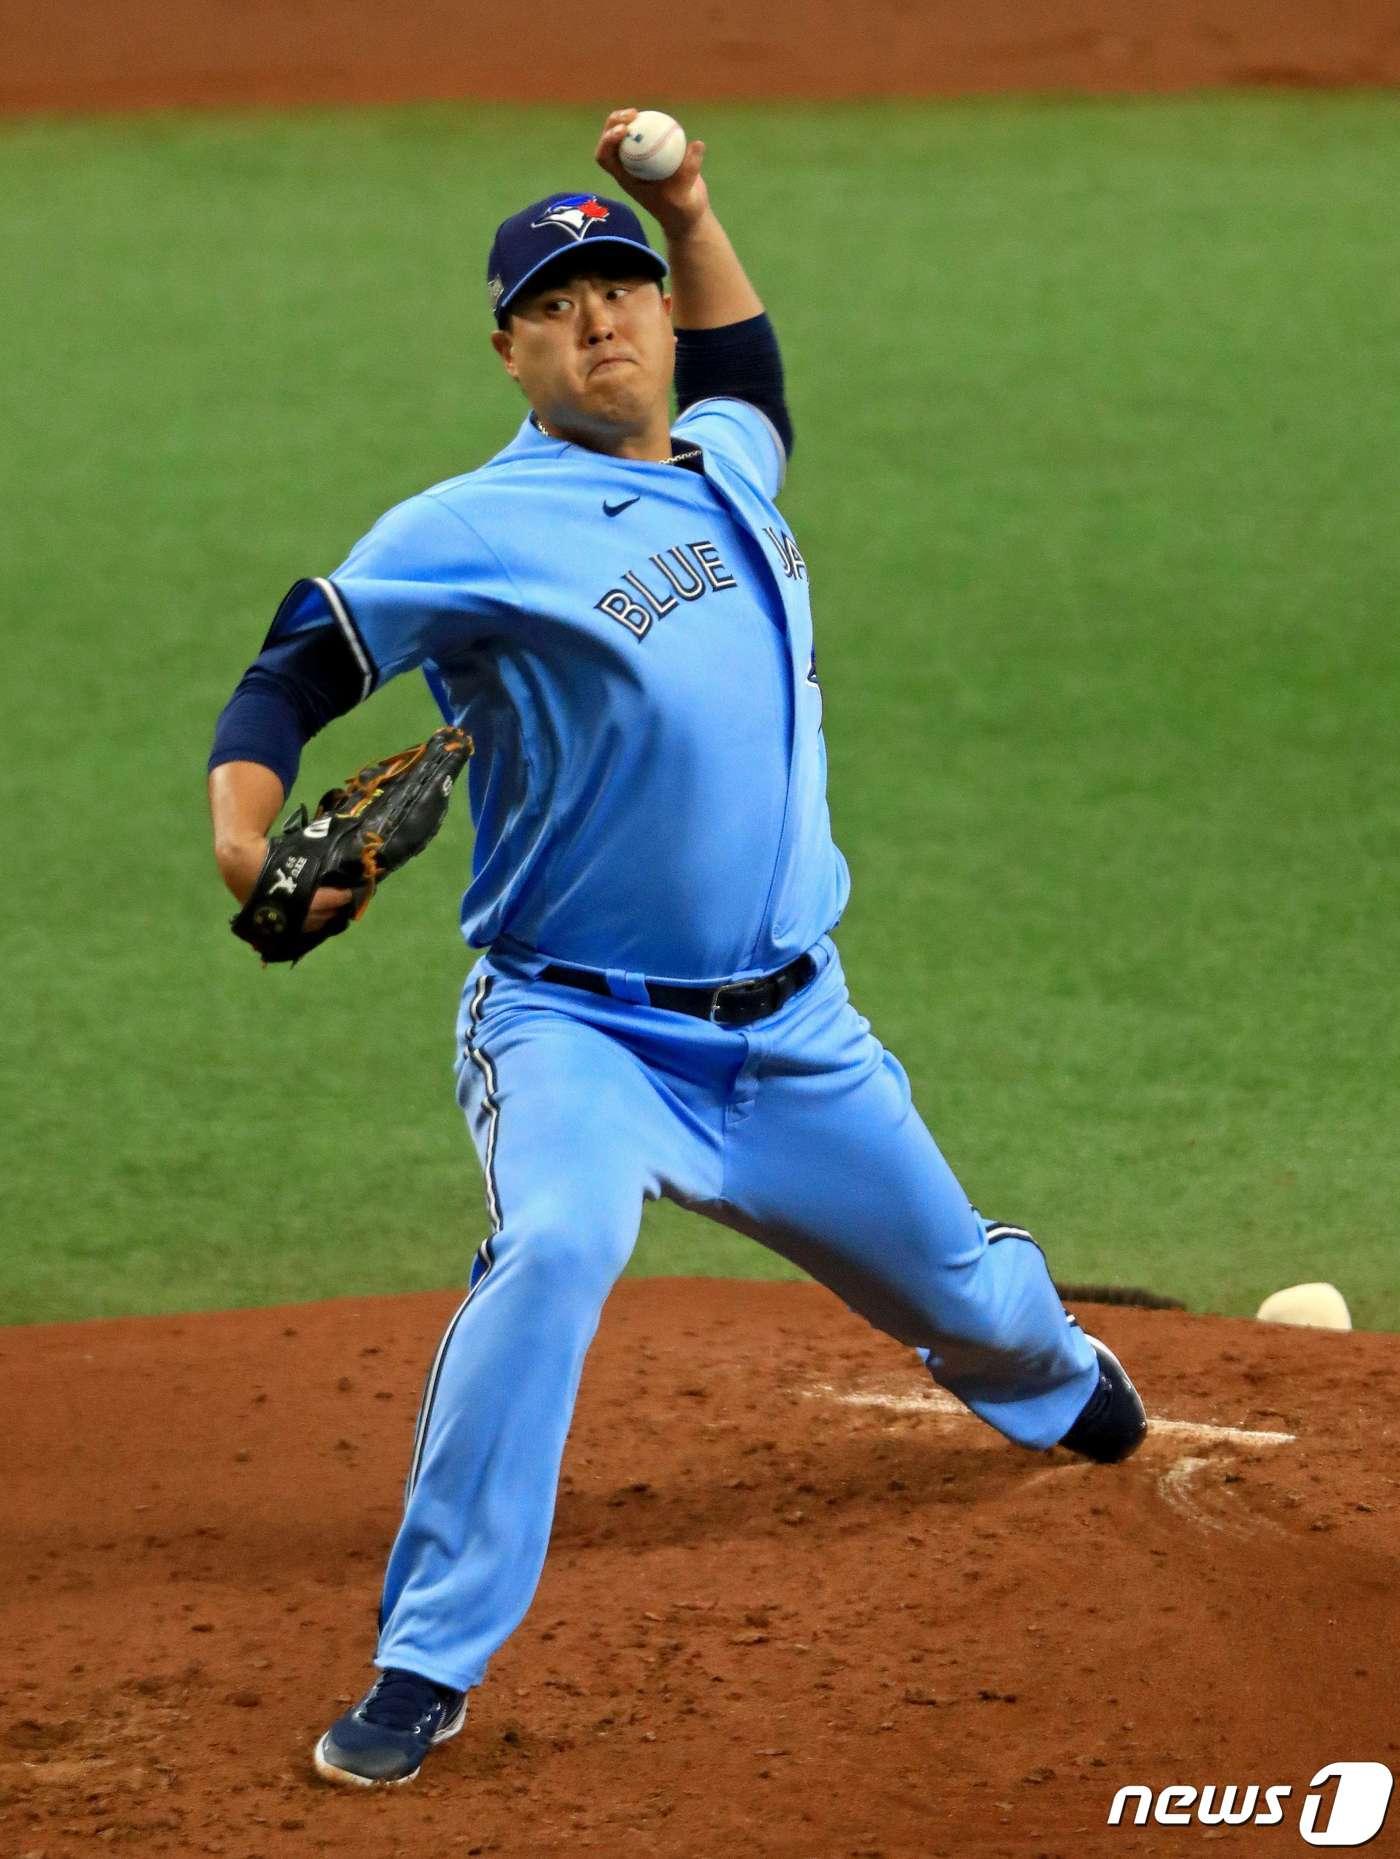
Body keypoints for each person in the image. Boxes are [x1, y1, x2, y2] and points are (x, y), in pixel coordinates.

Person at [208, 108, 1148, 1791]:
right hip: (577, 1032)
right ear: (509, 351)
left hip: (796, 1044)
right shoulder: (470, 525)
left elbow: (753, 377)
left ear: (658, 314)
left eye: (622, 290)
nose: (599, 322)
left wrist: (693, 208)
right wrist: (240, 831)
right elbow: (294, 671)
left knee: (976, 1303)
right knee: (557, 1245)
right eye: (556, 306)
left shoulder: (727, 462)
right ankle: (426, 1661)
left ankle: (1054, 1372)